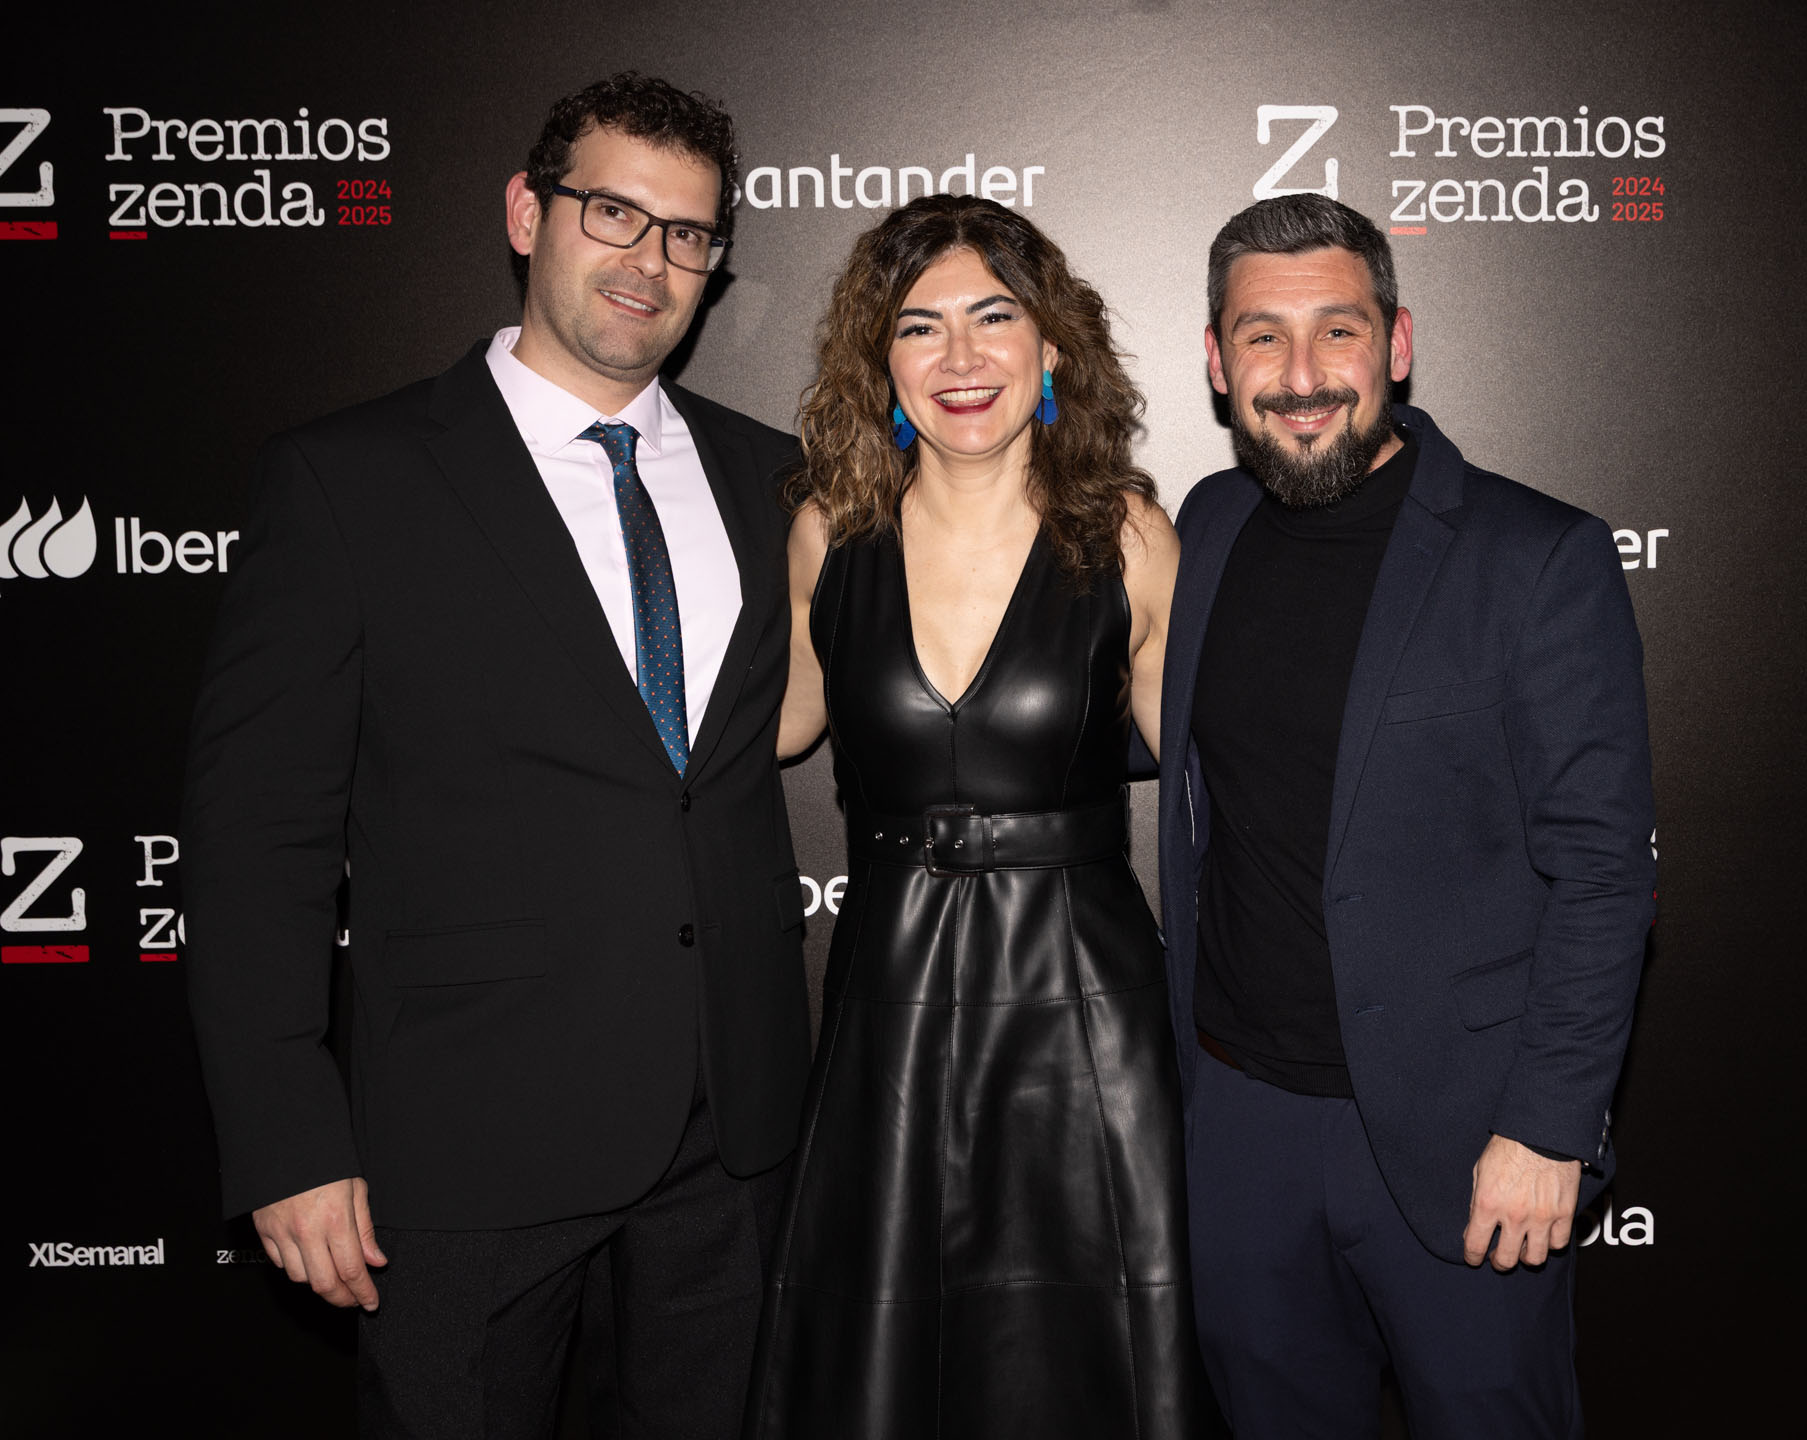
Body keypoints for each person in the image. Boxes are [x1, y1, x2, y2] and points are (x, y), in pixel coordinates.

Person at [182, 73, 811, 1439]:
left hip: (734, 1133)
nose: (648, 261)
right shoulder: (349, 481)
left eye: (687, 234)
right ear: (528, 213)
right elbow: (257, 842)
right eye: (612, 213)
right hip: (470, 1138)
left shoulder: (777, 482)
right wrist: (287, 1138)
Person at [1154, 194, 1655, 1437]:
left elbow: (1605, 873)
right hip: (1240, 1129)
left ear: (1399, 342)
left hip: (1467, 1139)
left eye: (1338, 330)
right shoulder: (1205, 527)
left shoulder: (1536, 556)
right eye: (1262, 337)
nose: (1302, 375)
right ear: (1216, 360)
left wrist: (1547, 1128)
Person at [745, 194, 1212, 1438]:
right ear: (882, 362)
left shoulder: (1127, 536)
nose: (960, 358)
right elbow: (765, 731)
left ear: (1050, 346)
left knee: (1091, 1356)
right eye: (920, 327)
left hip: (1085, 1005)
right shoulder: (826, 535)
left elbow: (1218, 776)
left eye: (993, 318)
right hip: (889, 995)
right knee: (886, 1356)